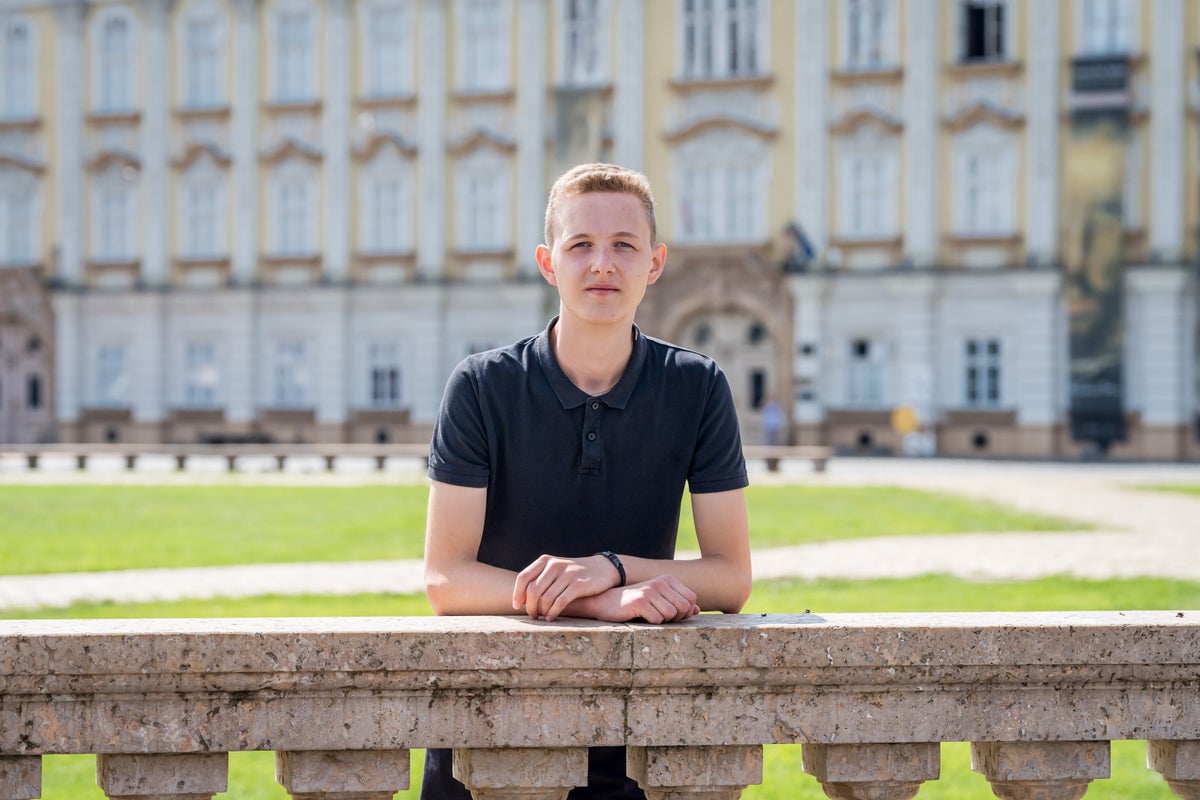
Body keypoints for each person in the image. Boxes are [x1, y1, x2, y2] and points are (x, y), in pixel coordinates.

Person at [421, 163, 752, 799]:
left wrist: (613, 568)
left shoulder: (697, 385)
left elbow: (732, 578)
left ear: (654, 263)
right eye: (580, 246)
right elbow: (445, 579)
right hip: (482, 730)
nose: (602, 263)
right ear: (549, 263)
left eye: (624, 245)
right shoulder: (481, 386)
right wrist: (597, 602)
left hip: (631, 741)